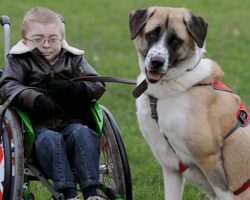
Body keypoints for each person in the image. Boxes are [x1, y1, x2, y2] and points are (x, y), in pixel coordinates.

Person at [0, 7, 106, 200]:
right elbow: (7, 86)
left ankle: (92, 193)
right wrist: (35, 98)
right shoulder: (19, 60)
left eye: (53, 39)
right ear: (25, 41)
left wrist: (78, 89)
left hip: (72, 121)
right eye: (38, 39)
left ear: (62, 39)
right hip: (35, 128)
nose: (47, 44)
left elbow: (97, 84)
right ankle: (69, 194)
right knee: (50, 139)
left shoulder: (73, 59)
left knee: (84, 133)